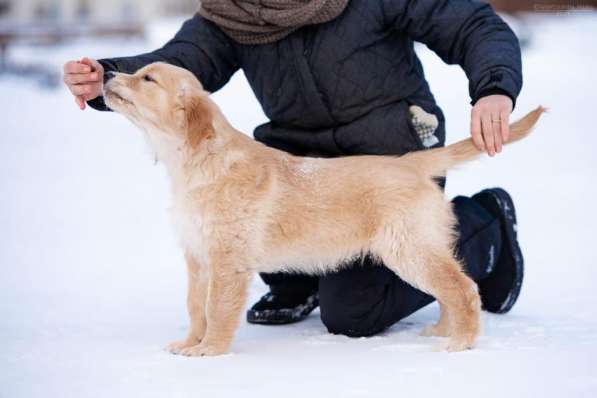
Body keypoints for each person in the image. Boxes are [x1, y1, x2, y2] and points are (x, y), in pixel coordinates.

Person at [63, 0, 524, 337]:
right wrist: (107, 77)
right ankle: (298, 279)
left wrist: (494, 86)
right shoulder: (234, 11)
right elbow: (176, 69)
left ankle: (484, 223)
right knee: (244, 204)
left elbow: (470, 23)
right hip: (298, 166)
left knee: (354, 313)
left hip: (390, 156)